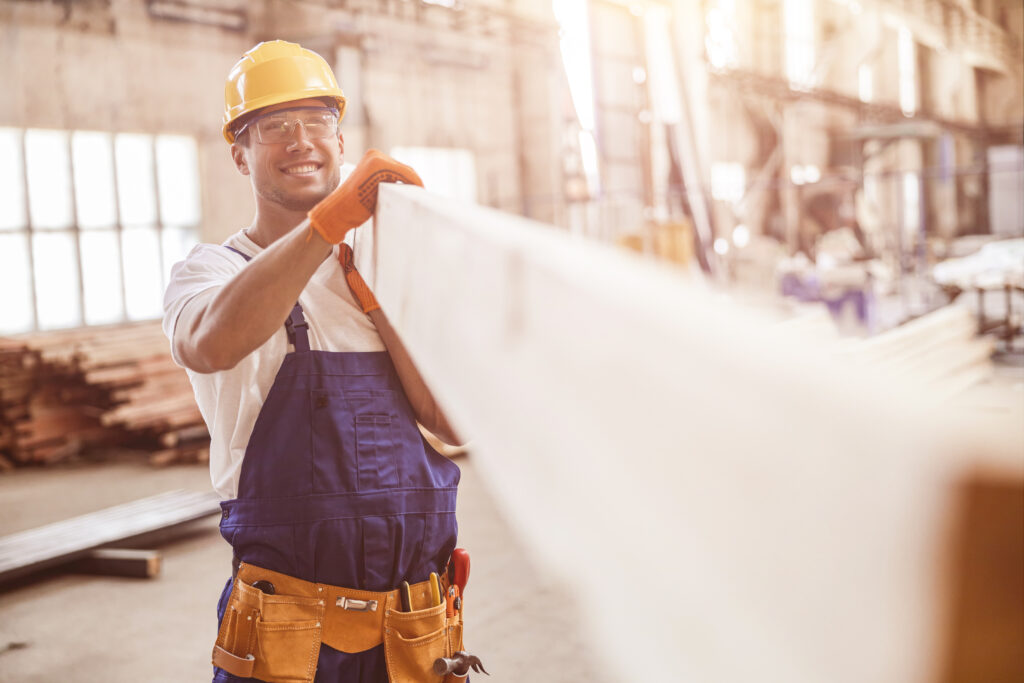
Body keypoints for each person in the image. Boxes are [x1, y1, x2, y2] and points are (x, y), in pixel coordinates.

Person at [162, 40, 468, 683]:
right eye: (274, 127)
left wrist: (381, 305)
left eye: (317, 122)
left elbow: (454, 424)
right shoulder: (213, 272)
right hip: (287, 635)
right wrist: (331, 221)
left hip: (415, 628)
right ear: (239, 153)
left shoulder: (381, 266)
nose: (300, 141)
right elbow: (209, 342)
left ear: (339, 137)